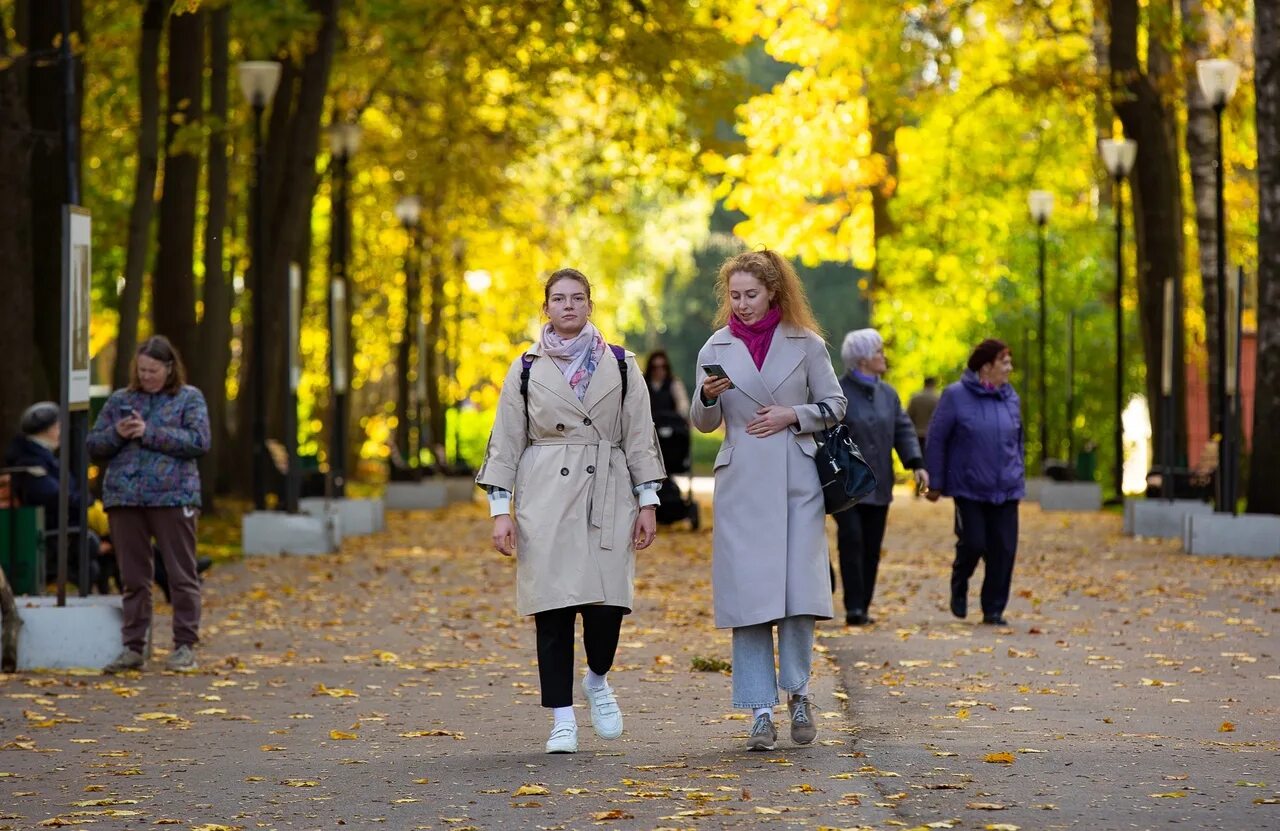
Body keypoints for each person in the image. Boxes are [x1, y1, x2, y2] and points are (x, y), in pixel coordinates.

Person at [475, 268, 666, 754]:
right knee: (552, 611)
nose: (567, 306)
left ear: (589, 305)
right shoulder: (524, 369)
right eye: (558, 299)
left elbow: (640, 434)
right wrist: (502, 509)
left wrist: (648, 500)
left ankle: (597, 678)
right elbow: (506, 439)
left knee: (609, 608)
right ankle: (561, 718)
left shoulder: (621, 364)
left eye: (577, 298)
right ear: (546, 307)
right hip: (545, 495)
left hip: (608, 489)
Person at [691, 249, 846, 752]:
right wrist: (709, 396)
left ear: (773, 292)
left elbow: (836, 405)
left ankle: (798, 692)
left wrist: (792, 415)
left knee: (800, 596)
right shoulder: (715, 346)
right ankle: (760, 709)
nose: (742, 305)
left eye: (751, 295)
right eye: (734, 296)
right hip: (741, 486)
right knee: (750, 600)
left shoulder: (808, 344)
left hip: (796, 483)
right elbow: (704, 422)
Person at [88, 335, 211, 673]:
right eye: (142, 370)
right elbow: (94, 444)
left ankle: (184, 645)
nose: (147, 376)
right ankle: (133, 647)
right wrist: (118, 433)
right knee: (133, 578)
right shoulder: (120, 400)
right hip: (124, 499)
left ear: (170, 368)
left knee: (181, 573)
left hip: (173, 497)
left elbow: (199, 441)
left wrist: (149, 432)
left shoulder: (189, 399)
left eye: (153, 370)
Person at [924, 339, 1025, 626]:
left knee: (1004, 548)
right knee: (974, 543)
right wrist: (936, 481)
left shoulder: (1010, 397)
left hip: (1006, 487)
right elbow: (937, 438)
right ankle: (960, 578)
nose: (1009, 368)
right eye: (1004, 363)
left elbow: (1018, 440)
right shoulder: (955, 395)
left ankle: (993, 608)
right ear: (986, 366)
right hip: (969, 487)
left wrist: (1019, 474)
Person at [834, 329, 928, 626]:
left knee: (872, 546)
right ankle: (853, 607)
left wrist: (916, 463)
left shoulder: (888, 394)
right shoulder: (838, 391)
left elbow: (903, 429)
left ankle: (863, 604)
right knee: (852, 540)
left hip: (879, 482)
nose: (883, 357)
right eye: (877, 352)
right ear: (862, 359)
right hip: (846, 486)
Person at [4, 402, 112, 593]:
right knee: (101, 541)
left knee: (115, 537)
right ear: (48, 430)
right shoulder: (31, 460)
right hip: (54, 530)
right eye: (58, 426)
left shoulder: (39, 456)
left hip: (62, 526)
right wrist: (85, 502)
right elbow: (52, 496)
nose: (61, 431)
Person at [907, 377, 940, 456]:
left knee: (919, 462)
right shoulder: (938, 398)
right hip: (933, 436)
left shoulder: (915, 398)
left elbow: (908, 417)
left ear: (924, 384)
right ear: (934, 384)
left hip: (917, 435)